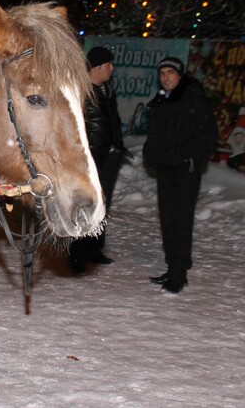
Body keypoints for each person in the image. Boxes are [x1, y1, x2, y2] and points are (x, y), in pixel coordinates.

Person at [143, 57, 218, 293]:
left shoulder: (193, 98)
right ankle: (174, 265)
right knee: (167, 219)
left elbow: (209, 134)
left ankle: (178, 274)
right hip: (166, 168)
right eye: (162, 73)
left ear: (180, 75)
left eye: (170, 73)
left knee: (180, 220)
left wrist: (190, 157)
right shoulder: (162, 99)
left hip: (185, 169)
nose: (166, 77)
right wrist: (151, 154)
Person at [69, 46, 130, 275]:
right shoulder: (81, 91)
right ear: (98, 67)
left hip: (110, 155)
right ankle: (77, 253)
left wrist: (117, 145)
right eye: (109, 65)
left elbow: (112, 120)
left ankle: (95, 248)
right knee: (85, 205)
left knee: (103, 205)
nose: (112, 69)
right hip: (90, 158)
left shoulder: (106, 88)